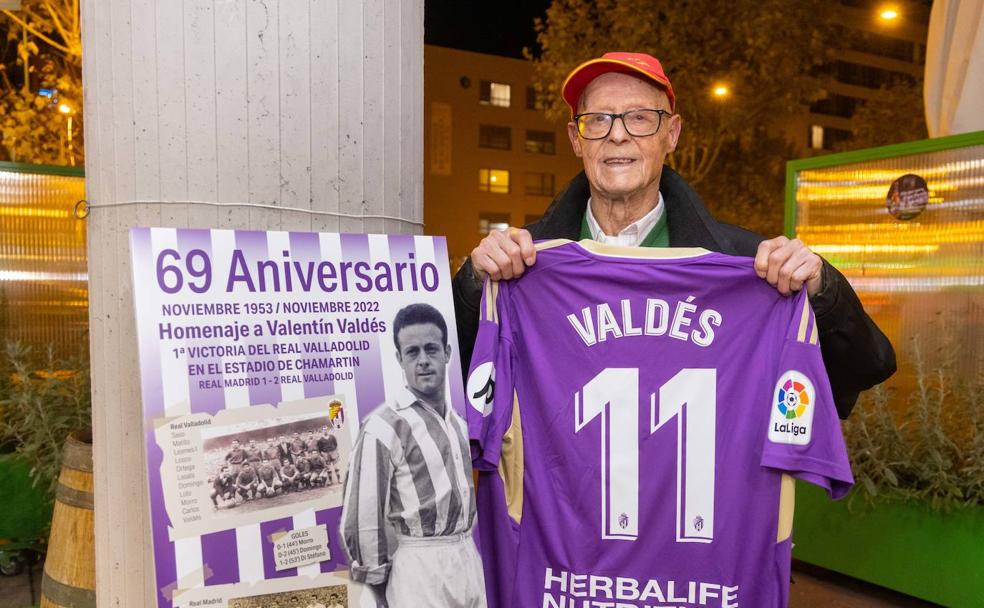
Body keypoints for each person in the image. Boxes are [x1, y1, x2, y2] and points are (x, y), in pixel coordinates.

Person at [453, 52, 895, 420]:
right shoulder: (521, 266)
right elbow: (441, 382)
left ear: (673, 133)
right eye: (598, 120)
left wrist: (821, 291)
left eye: (640, 118)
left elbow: (862, 369)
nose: (618, 135)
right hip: (558, 524)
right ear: (576, 138)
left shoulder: (745, 267)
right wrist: (474, 287)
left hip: (696, 524)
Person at [341, 303, 484, 607]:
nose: (423, 361)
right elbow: (362, 515)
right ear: (400, 360)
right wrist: (377, 584)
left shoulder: (458, 422)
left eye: (431, 350)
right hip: (420, 566)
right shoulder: (384, 425)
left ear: (447, 353)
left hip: (467, 557)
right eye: (412, 352)